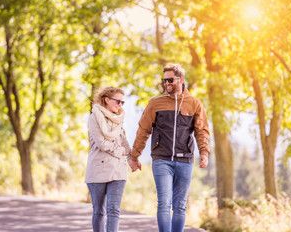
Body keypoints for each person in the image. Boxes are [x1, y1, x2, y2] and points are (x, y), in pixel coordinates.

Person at [129, 64, 210, 232]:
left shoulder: (194, 104)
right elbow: (143, 130)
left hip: (185, 160)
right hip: (162, 160)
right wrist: (134, 156)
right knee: (164, 203)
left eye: (170, 80)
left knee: (180, 206)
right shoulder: (155, 103)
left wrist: (204, 153)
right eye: (164, 80)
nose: (166, 83)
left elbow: (201, 131)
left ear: (180, 80)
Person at [85, 86, 131, 232]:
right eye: (118, 101)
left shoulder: (119, 119)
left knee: (114, 211)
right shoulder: (94, 118)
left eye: (122, 102)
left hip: (118, 171)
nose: (120, 105)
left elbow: (124, 141)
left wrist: (133, 158)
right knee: (99, 211)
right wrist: (120, 151)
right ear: (106, 100)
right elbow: (101, 143)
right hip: (98, 170)